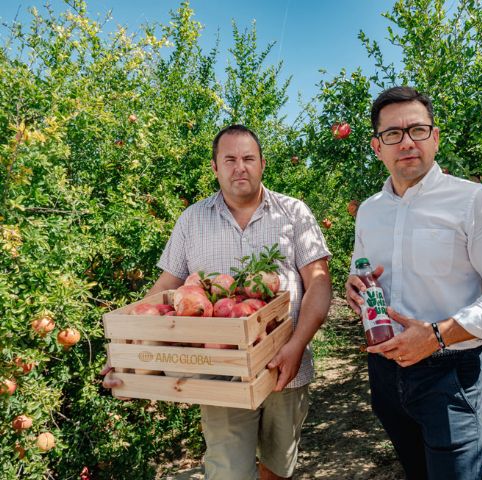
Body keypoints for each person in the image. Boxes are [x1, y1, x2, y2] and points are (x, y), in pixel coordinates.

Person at [102, 124, 332, 480]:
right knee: (228, 470)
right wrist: (127, 350)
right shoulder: (192, 219)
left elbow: (318, 284)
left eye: (248, 158)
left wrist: (298, 344)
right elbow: (165, 287)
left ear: (262, 164)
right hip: (219, 369)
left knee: (279, 465)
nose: (240, 167)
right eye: (230, 159)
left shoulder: (294, 212)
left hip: (285, 363)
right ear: (215, 167)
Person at [345, 86, 482, 480]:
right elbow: (361, 272)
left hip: (450, 375)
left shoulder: (476, 202)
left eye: (417, 130)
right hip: (384, 371)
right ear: (376, 147)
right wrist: (355, 288)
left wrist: (437, 335)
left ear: (435, 137)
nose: (407, 142)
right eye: (393, 134)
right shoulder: (369, 211)